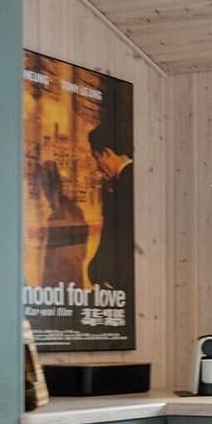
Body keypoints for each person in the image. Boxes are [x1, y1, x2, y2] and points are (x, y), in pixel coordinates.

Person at [86, 119, 134, 296]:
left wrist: (98, 270)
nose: (98, 167)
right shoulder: (129, 178)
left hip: (121, 282)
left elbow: (119, 235)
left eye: (96, 158)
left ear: (106, 153)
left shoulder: (125, 184)